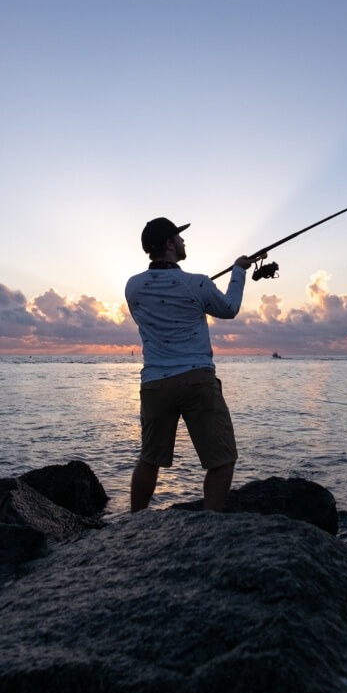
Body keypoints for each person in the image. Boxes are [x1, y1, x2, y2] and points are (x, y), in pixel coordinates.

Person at [124, 217, 252, 512]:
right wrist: (238, 271)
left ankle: (134, 522)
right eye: (179, 238)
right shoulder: (197, 283)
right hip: (197, 380)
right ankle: (210, 525)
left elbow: (168, 298)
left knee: (149, 458)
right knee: (222, 459)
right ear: (169, 244)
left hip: (155, 384)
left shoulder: (133, 287)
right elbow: (229, 308)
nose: (184, 242)